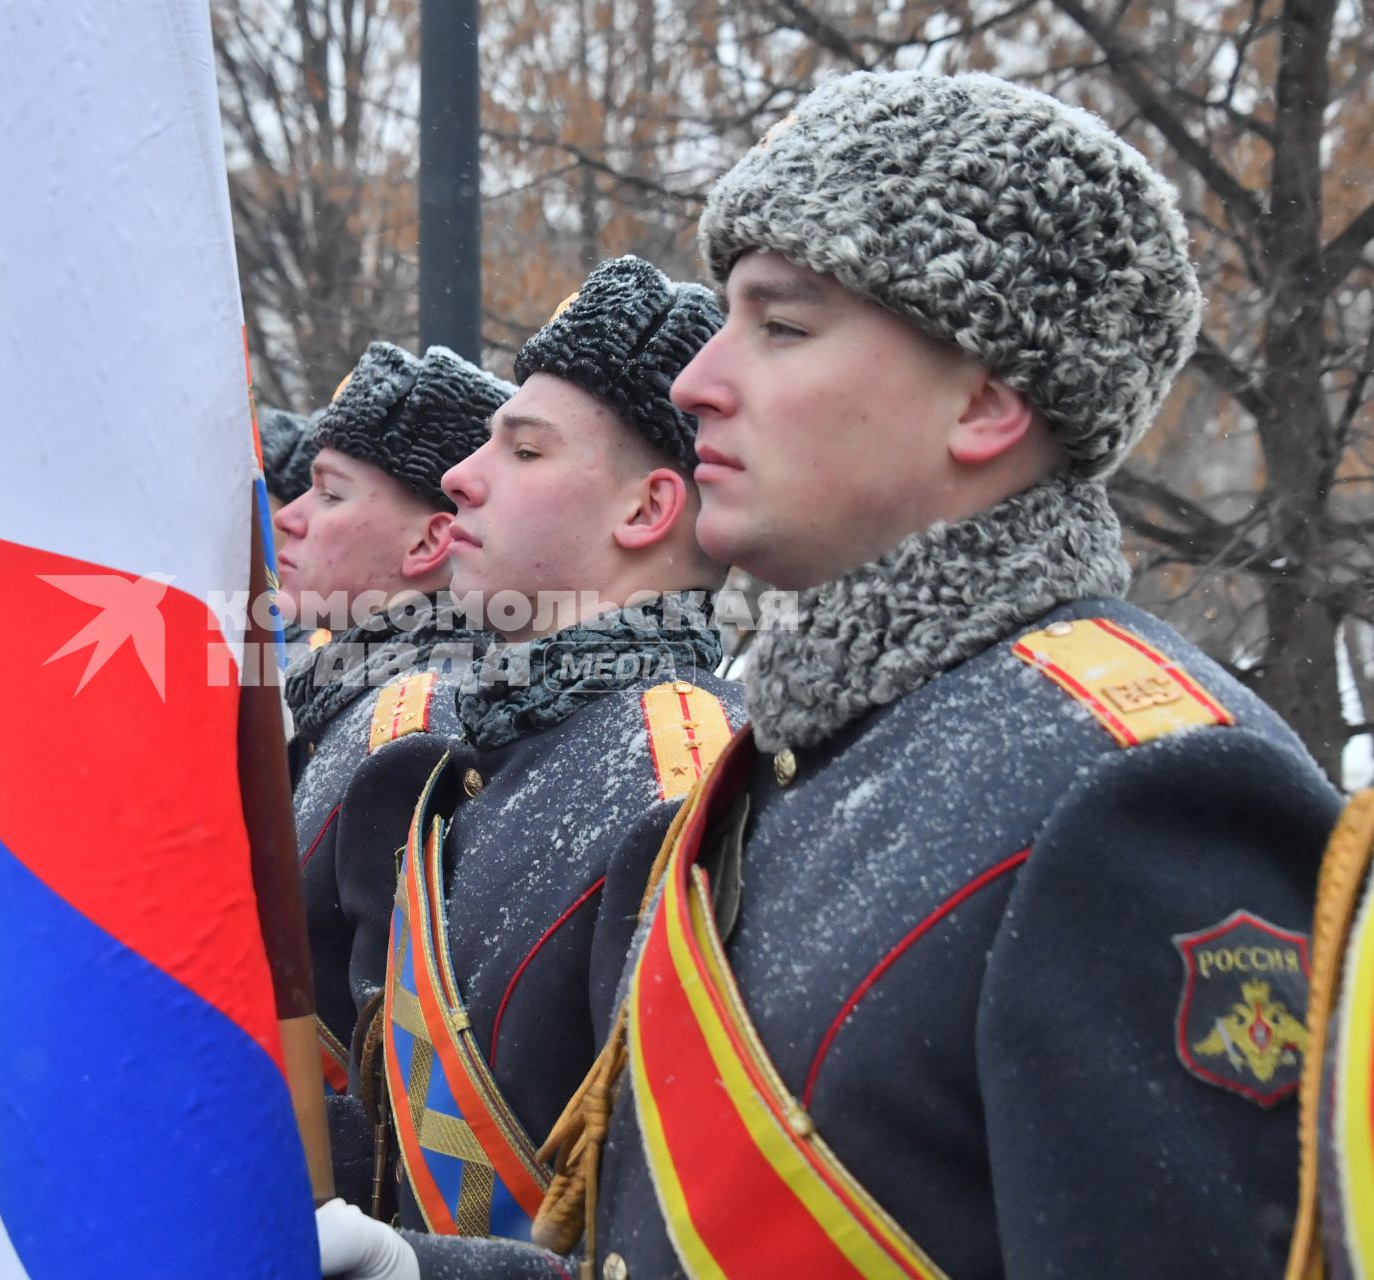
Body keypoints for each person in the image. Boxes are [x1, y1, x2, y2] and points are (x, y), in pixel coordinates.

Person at [319, 70, 1344, 1280]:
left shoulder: (1143, 788)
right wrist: (419, 1269)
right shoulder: (813, 755)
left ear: (986, 399)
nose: (700, 382)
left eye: (782, 324)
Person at [328, 257, 744, 1251]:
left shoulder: (681, 771)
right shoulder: (471, 763)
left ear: (646, 511)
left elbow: (672, 1229)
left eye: (522, 449)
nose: (463, 476)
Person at [277, 342, 513, 1098]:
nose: (289, 518)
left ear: (428, 541)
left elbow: (390, 1079)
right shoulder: (350, 704)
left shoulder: (414, 723)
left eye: (330, 494)